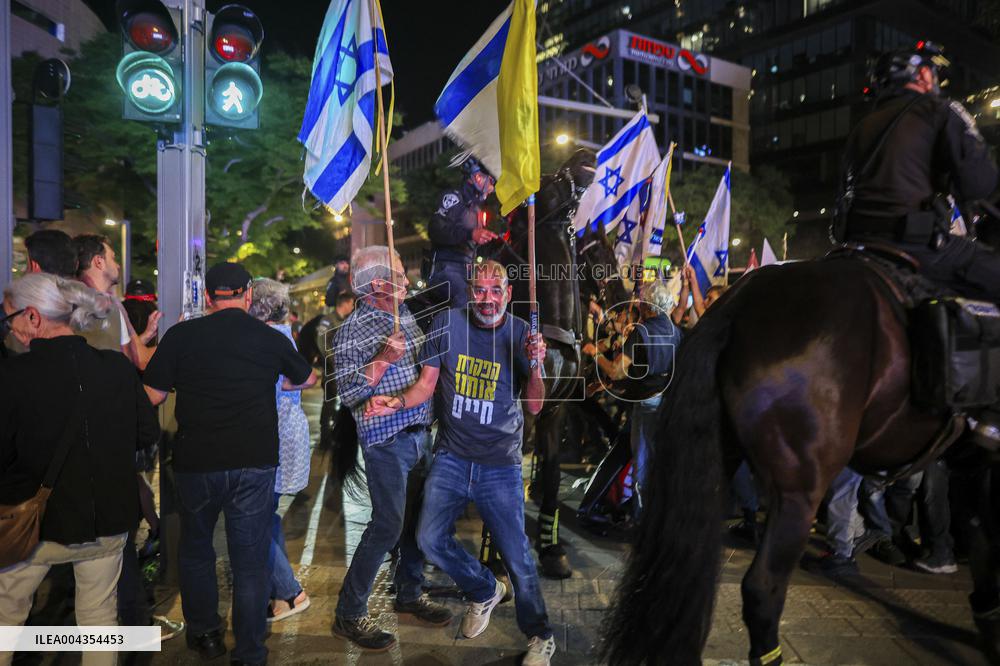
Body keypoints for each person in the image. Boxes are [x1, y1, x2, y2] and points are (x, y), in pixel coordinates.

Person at [365, 260, 555, 665]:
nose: (487, 299)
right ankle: (484, 589)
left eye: (495, 290)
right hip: (452, 456)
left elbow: (536, 404)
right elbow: (425, 386)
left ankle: (540, 635)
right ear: (470, 291)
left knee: (517, 555)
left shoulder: (522, 334)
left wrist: (537, 364)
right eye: (479, 290)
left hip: (500, 463)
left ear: (508, 292)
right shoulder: (447, 324)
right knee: (429, 539)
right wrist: (394, 402)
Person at [142, 262, 317, 665]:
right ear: (248, 294)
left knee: (197, 549)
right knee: (250, 559)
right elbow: (307, 378)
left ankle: (205, 636)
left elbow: (151, 394)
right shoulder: (268, 337)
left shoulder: (182, 335)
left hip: (196, 461)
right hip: (254, 463)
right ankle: (251, 650)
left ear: (207, 297)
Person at [0, 273, 160, 666]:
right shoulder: (116, 369)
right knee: (99, 618)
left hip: (32, 522)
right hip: (106, 516)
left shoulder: (13, 376)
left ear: (34, 317)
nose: (11, 328)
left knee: (7, 617)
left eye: (11, 318)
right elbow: (146, 432)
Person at [330, 246, 452, 651]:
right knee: (387, 525)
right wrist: (383, 359)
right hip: (385, 442)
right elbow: (349, 394)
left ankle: (409, 592)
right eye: (400, 272)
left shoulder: (406, 316)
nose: (406, 277)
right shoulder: (351, 330)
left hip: (420, 436)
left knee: (418, 520)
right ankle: (349, 612)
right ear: (380, 283)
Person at [839, 42, 999, 298]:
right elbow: (979, 184)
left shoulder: (861, 127)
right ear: (924, 75)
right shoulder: (938, 110)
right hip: (914, 244)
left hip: (858, 244)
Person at [248, 278, 313, 622]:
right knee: (266, 516)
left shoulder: (272, 336)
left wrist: (291, 382)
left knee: (257, 518)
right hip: (280, 433)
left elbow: (308, 376)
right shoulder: (281, 333)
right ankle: (281, 592)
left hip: (276, 437)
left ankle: (290, 591)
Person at [583, 280, 682, 502]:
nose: (638, 308)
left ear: (648, 306)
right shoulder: (675, 331)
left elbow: (618, 371)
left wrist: (593, 353)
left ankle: (642, 515)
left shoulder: (641, 331)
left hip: (646, 405)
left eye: (640, 305)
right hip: (668, 404)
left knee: (643, 462)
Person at [74, 234, 160, 370]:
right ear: (99, 262)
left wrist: (145, 336)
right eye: (113, 258)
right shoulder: (108, 308)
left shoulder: (70, 299)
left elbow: (123, 352)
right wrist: (180, 336)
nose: (118, 265)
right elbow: (141, 361)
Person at [426, 157, 498, 309]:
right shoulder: (453, 198)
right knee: (467, 297)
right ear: (477, 177)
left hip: (468, 270)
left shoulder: (477, 209)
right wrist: (470, 234)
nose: (493, 188)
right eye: (492, 182)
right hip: (444, 269)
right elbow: (435, 230)